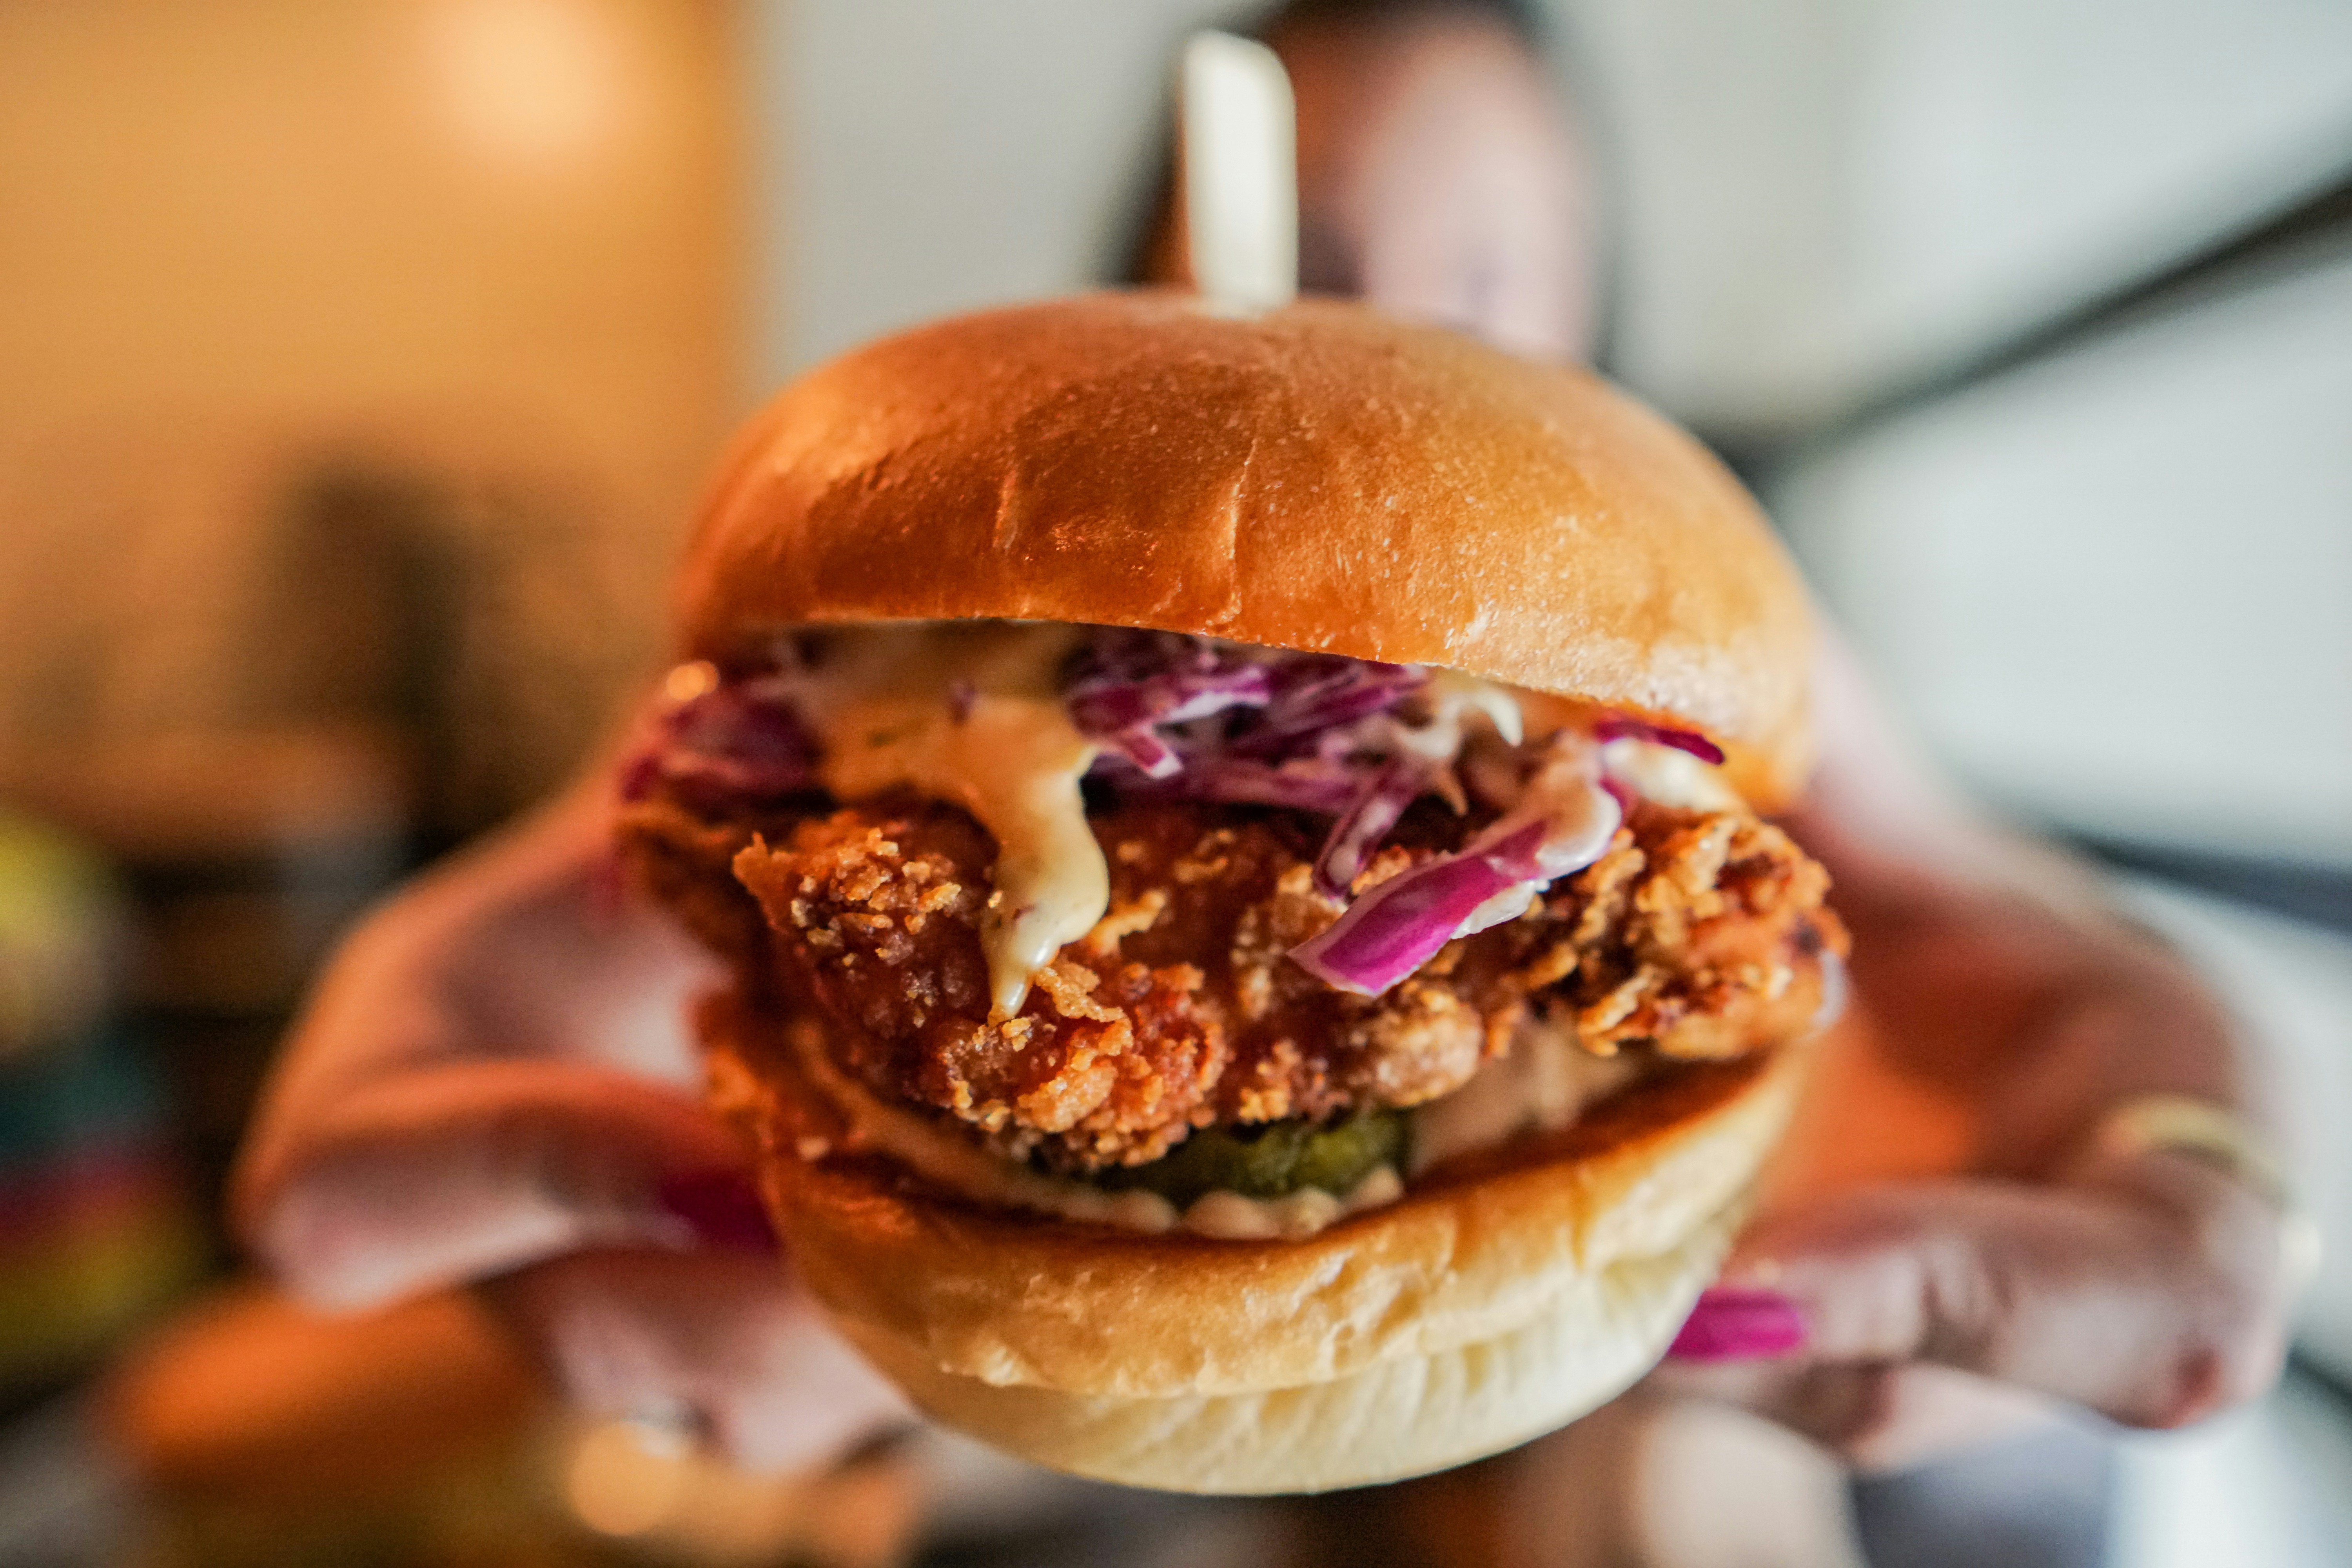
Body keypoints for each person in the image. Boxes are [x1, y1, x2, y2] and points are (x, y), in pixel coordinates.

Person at [235, 0, 2303, 1494]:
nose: (1393, 330)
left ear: (1597, 343)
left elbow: (2044, 963)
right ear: (1148, 280)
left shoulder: (1680, 632)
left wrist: (2193, 1152)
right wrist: (483, 1149)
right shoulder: (888, 671)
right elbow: (510, 963)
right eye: (1312, 259)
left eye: (1492, 289)